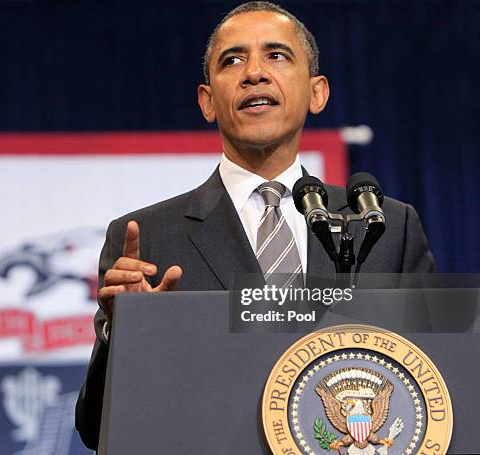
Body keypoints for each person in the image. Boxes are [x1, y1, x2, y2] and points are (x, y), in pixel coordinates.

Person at [75, 1, 436, 450]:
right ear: (207, 102)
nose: (254, 73)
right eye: (232, 60)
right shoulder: (149, 239)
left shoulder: (384, 226)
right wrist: (130, 334)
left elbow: (435, 385)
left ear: (317, 92)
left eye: (277, 56)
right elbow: (95, 427)